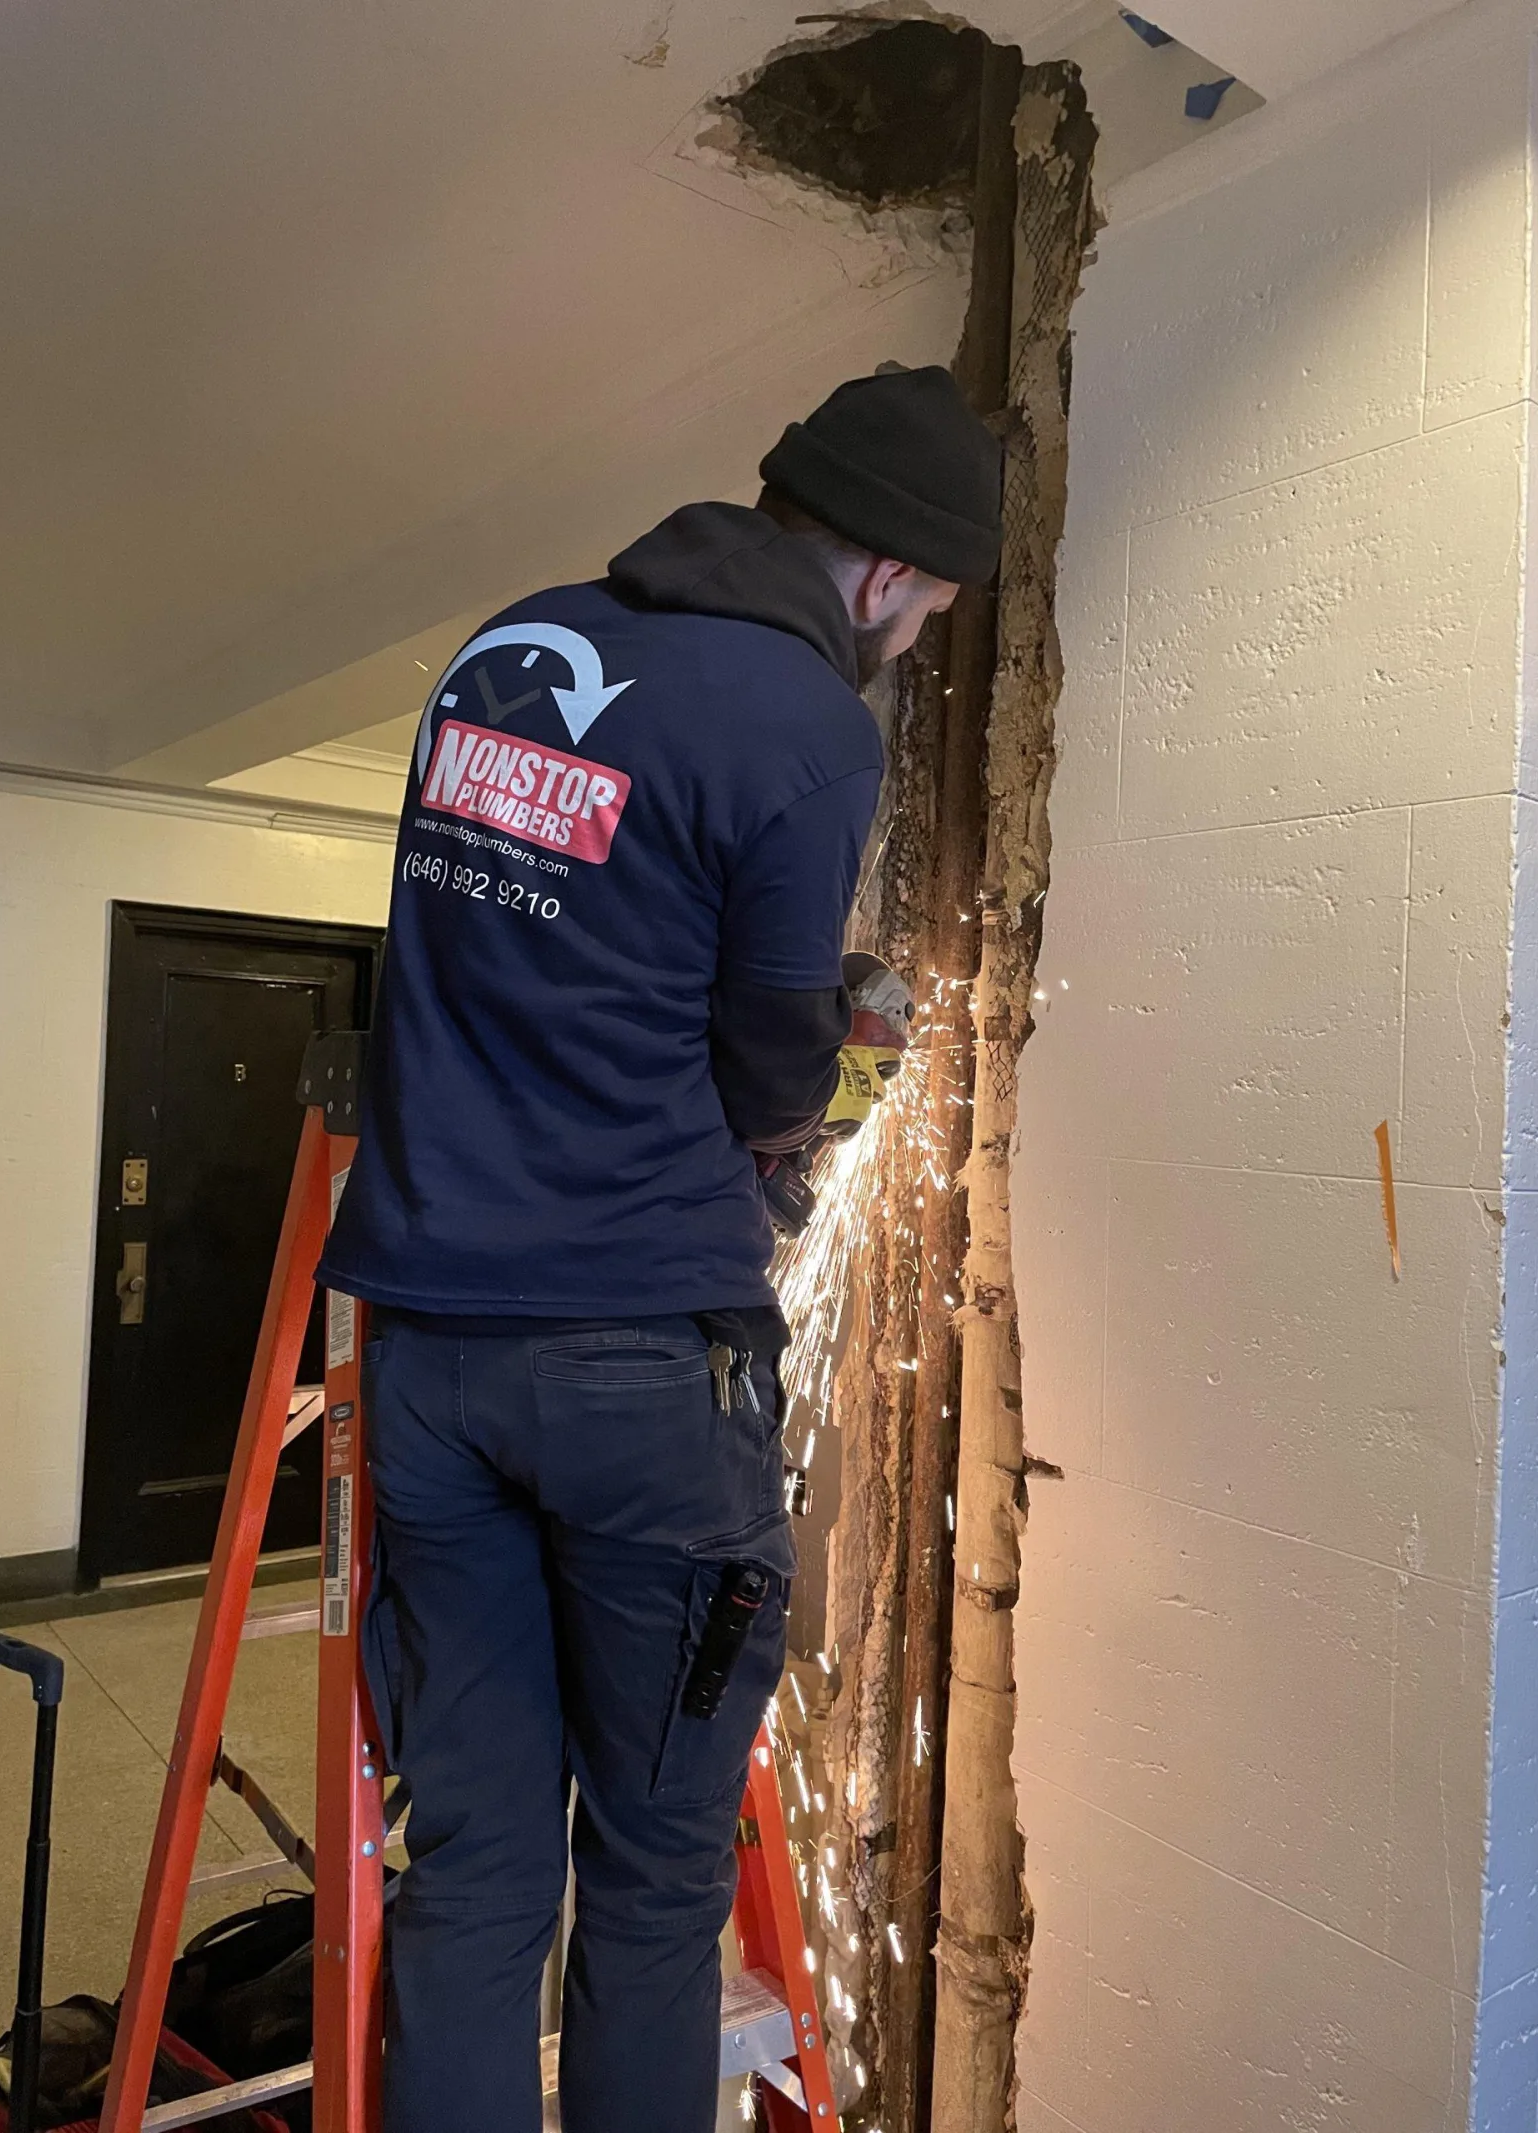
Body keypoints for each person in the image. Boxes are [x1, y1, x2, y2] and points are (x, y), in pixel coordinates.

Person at [318, 362, 1002, 2133]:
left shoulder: (505, 650)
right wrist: (844, 1042)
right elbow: (776, 1064)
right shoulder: (804, 722)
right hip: (639, 1358)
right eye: (925, 614)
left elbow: (502, 959)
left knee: (470, 1876)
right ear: (885, 578)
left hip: (427, 1343)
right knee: (649, 1883)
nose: (913, 645)